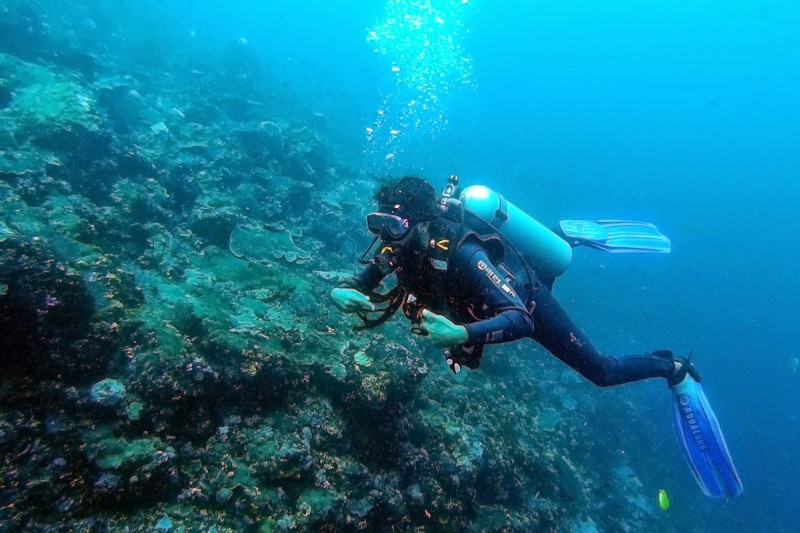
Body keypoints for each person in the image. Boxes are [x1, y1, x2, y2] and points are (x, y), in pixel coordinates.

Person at [330, 176, 742, 498]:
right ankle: (554, 237)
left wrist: (462, 332)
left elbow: (521, 320)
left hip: (524, 299)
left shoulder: (461, 251)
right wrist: (345, 290)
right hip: (484, 296)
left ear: (421, 223)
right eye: (378, 224)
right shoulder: (400, 247)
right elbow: (366, 277)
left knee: (601, 370)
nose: (385, 236)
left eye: (393, 225)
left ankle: (671, 366)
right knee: (517, 273)